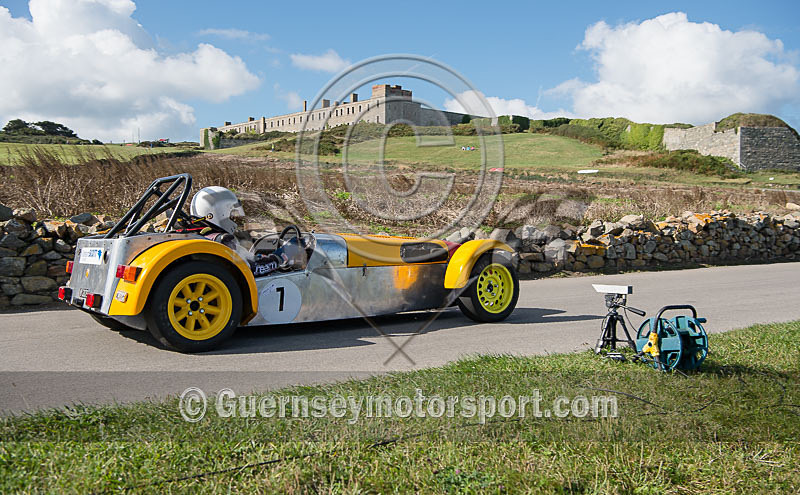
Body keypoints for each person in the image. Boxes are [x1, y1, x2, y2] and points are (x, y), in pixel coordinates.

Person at [189, 186, 292, 276]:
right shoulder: (223, 241)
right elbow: (254, 268)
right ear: (218, 213)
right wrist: (281, 256)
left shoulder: (195, 236)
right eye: (231, 215)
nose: (234, 219)